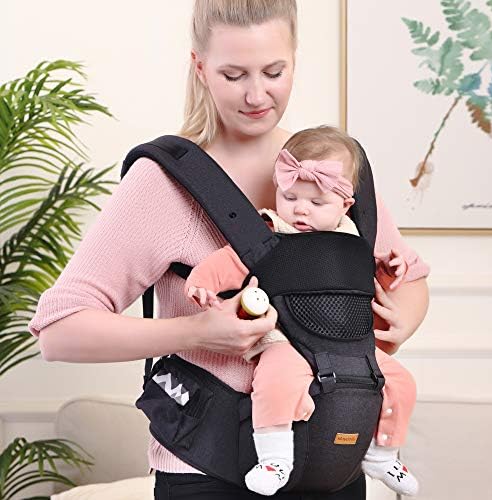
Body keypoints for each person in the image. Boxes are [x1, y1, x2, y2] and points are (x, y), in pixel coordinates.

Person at [28, 1, 430, 498]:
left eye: (274, 72)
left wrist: (403, 318)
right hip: (210, 470)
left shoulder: (330, 168)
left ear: (295, 59)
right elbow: (59, 332)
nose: (257, 94)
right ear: (200, 67)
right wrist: (199, 331)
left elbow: (408, 278)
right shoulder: (165, 181)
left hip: (335, 464)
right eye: (234, 74)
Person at [184, 126, 418, 497]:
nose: (300, 209)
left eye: (316, 202)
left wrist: (390, 271)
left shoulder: (355, 239)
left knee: (401, 382)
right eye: (289, 196)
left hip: (350, 344)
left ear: (345, 205)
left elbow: (368, 282)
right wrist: (201, 284)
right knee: (276, 377)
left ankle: (382, 453)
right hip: (287, 337)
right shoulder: (269, 231)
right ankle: (274, 457)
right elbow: (227, 262)